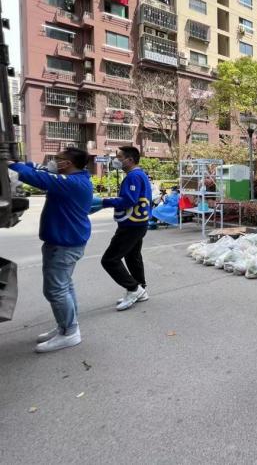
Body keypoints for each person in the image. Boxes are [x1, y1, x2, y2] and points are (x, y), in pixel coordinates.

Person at [9, 147, 94, 353]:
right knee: (65, 286)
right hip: (66, 242)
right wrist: (22, 163)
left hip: (63, 245)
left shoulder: (71, 183)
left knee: (55, 289)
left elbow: (38, 178)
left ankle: (70, 332)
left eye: (58, 159)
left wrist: (10, 164)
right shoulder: (74, 179)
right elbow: (38, 170)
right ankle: (66, 326)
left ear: (68, 164)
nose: (54, 162)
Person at [100, 146, 152, 311]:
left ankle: (134, 288)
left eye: (120, 157)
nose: (117, 159)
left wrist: (105, 201)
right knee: (132, 256)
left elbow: (129, 200)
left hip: (131, 225)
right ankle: (141, 289)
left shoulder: (134, 176)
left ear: (129, 160)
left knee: (109, 259)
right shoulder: (138, 175)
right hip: (138, 223)